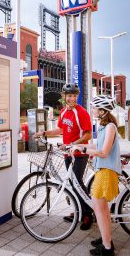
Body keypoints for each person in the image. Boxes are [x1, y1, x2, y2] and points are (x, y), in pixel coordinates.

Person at [34, 83, 93, 230]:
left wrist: (74, 144)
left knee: (77, 183)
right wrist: (44, 133)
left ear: (77, 97)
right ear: (64, 97)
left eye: (74, 95)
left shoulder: (82, 112)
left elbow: (88, 134)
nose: (72, 98)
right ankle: (79, 210)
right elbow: (60, 129)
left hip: (79, 153)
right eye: (69, 95)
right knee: (73, 183)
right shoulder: (63, 112)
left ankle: (88, 215)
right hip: (68, 153)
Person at [70, 95, 121, 256]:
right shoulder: (104, 126)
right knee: (103, 209)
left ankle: (107, 249)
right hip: (102, 170)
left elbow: (103, 152)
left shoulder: (110, 127)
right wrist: (78, 145)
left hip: (106, 172)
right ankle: (107, 239)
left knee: (100, 209)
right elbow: (96, 145)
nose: (92, 110)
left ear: (102, 111)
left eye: (95, 108)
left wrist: (83, 150)